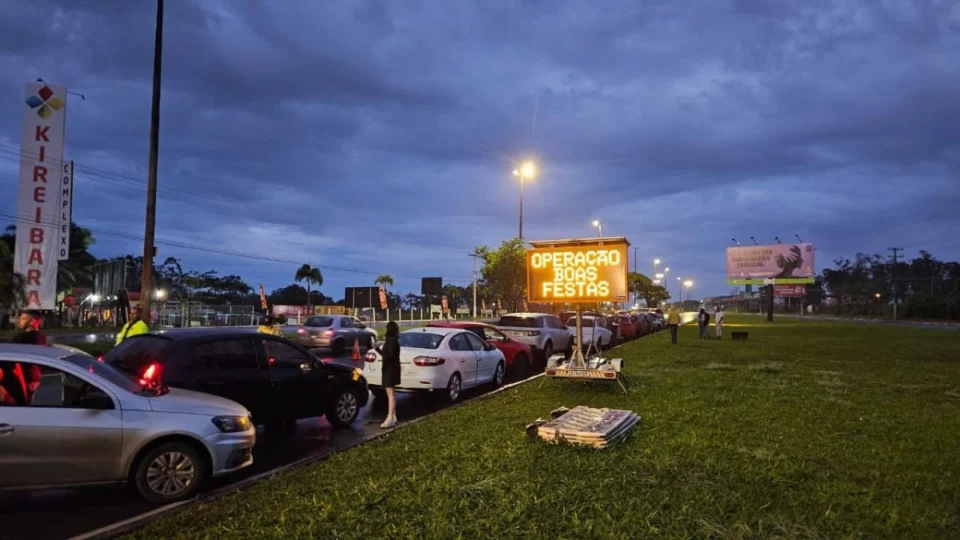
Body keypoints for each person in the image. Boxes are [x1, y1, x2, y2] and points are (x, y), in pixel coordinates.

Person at [9, 311, 43, 403]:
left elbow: (9, 355)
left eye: (23, 319)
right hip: (35, 378)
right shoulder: (41, 337)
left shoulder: (21, 338)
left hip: (23, 379)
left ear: (32, 322)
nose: (19, 321)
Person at [375, 321, 401, 428]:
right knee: (392, 394)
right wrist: (378, 350)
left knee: (390, 395)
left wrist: (383, 358)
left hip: (389, 370)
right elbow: (388, 355)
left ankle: (390, 417)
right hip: (393, 369)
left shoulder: (390, 341)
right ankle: (393, 416)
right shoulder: (394, 340)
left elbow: (389, 357)